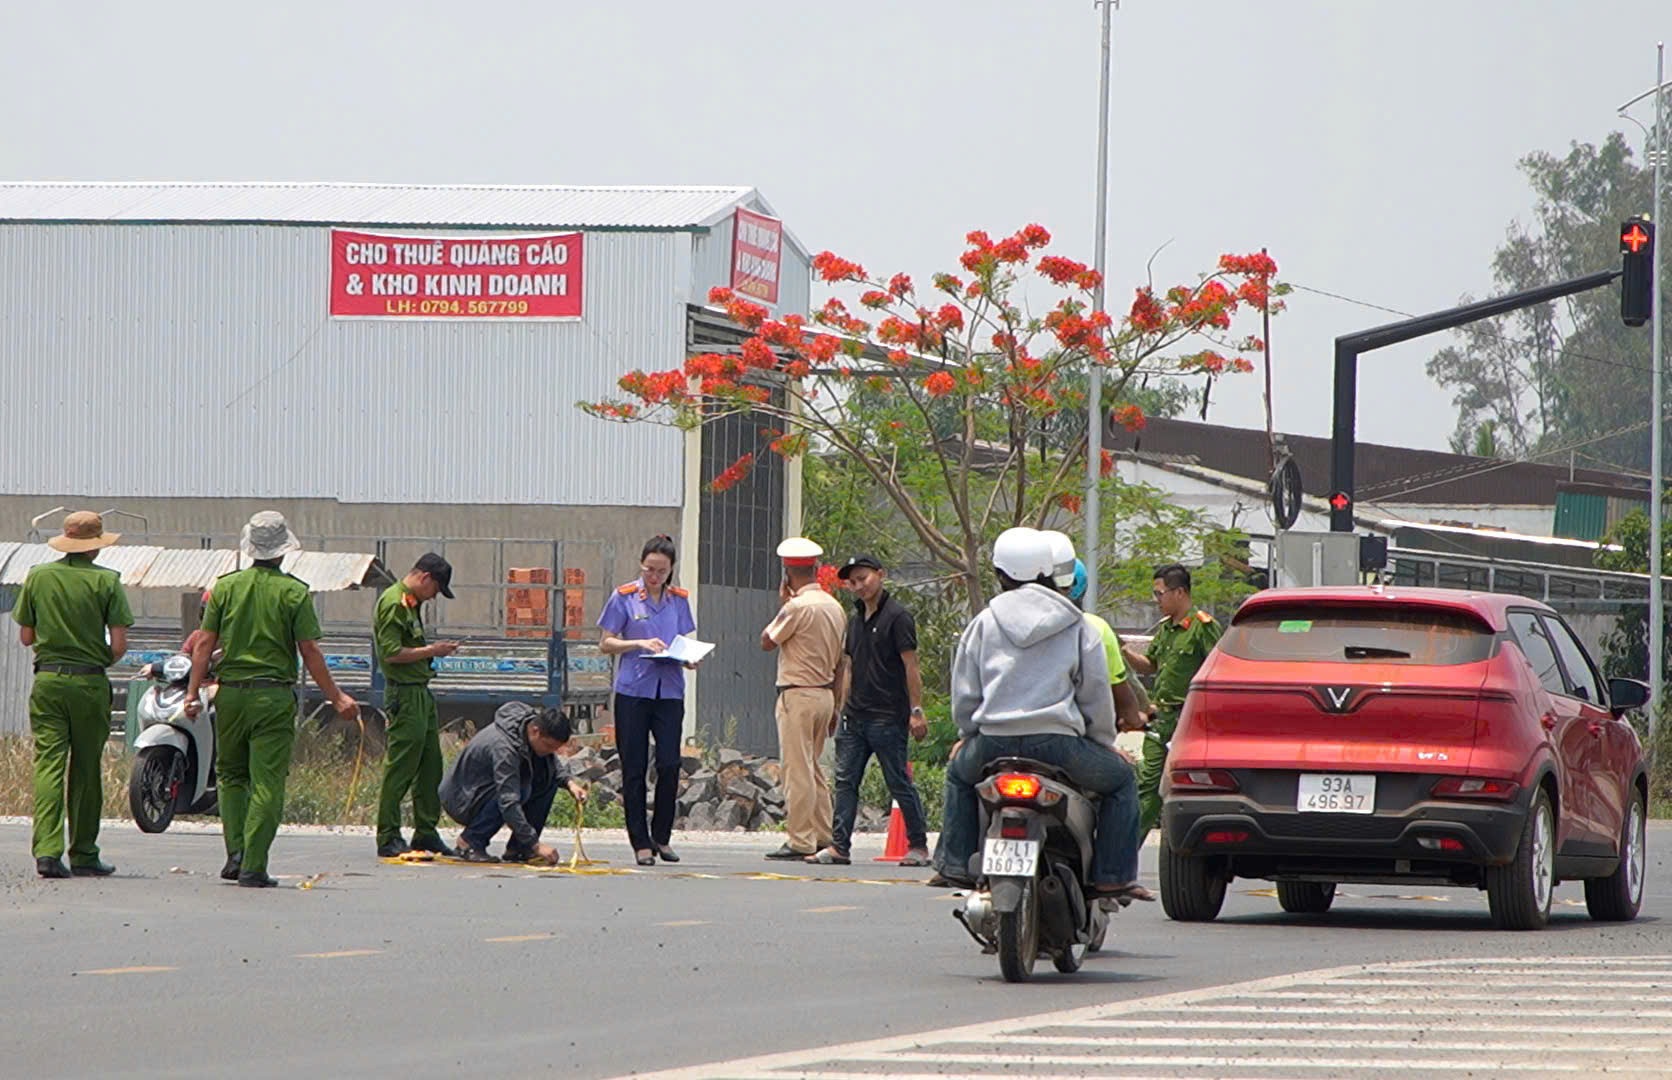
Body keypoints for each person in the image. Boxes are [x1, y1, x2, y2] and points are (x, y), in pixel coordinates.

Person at [931, 527, 1147, 901]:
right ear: (1050, 570)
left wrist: (968, 733)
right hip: (1058, 745)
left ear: (1000, 574)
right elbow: (1095, 693)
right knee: (1122, 781)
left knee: (957, 777)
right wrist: (1102, 742)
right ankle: (1112, 876)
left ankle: (955, 864)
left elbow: (965, 691)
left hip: (992, 745)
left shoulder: (984, 621)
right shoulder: (1077, 624)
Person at [184, 512, 360, 887]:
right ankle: (254, 864)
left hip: (230, 695)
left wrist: (192, 693)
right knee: (266, 781)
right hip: (272, 697)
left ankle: (235, 854)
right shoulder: (294, 592)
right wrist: (337, 697)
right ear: (283, 551)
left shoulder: (225, 587)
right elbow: (309, 650)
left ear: (251, 548)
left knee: (231, 775)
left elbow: (203, 643)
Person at [13, 511, 134, 879]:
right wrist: (95, 657)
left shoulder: (38, 576)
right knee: (85, 769)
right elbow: (119, 646)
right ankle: (83, 852)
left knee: (49, 765)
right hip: (88, 683)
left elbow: (27, 637)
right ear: (95, 546)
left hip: (48, 681)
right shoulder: (107, 581)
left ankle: (47, 852)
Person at [807, 554, 930, 868]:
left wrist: (916, 710)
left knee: (898, 781)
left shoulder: (897, 616)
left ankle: (918, 845)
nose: (859, 586)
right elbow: (848, 667)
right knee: (846, 781)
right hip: (855, 716)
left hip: (888, 716)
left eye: (864, 578)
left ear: (881, 574)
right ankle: (839, 846)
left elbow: (910, 666)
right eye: (853, 581)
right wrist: (840, 706)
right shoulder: (855, 618)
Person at [598, 535, 697, 867]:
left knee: (669, 764)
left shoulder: (679, 601)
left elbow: (682, 641)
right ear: (641, 566)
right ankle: (640, 842)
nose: (653, 577)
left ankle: (662, 837)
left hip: (669, 691)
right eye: (649, 569)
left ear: (670, 571)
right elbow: (606, 643)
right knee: (634, 767)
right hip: (633, 692)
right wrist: (637, 644)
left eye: (661, 571)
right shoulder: (624, 597)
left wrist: (687, 658)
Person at [759, 536, 847, 861]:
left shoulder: (796, 607)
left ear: (788, 573)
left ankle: (799, 839)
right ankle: (824, 834)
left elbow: (767, 641)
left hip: (797, 694)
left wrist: (784, 602)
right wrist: (837, 704)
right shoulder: (834, 607)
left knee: (796, 769)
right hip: (825, 695)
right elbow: (842, 663)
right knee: (815, 769)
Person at [1121, 563, 1223, 836]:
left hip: (1188, 719)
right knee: (1148, 786)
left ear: (1179, 593)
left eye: (1160, 594)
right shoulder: (1165, 629)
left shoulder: (1203, 627)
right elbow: (1149, 665)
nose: (1157, 601)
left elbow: (1217, 670)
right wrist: (1124, 651)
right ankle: (1127, 851)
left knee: (1190, 787)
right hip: (1161, 718)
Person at [373, 553, 460, 859]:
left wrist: (431, 652)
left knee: (429, 765)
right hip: (404, 695)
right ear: (425, 578)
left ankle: (425, 831)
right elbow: (392, 653)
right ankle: (388, 835)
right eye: (436, 589)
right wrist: (431, 650)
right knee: (401, 767)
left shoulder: (412, 603)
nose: (435, 596)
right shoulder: (394, 603)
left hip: (421, 692)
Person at [438, 701, 588, 864]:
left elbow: (551, 762)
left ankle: (519, 848)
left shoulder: (528, 729)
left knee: (548, 782)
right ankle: (469, 842)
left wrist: (570, 783)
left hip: (486, 789)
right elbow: (508, 800)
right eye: (549, 746)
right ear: (535, 731)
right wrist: (536, 844)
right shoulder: (504, 748)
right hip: (462, 797)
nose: (550, 752)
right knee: (520, 791)